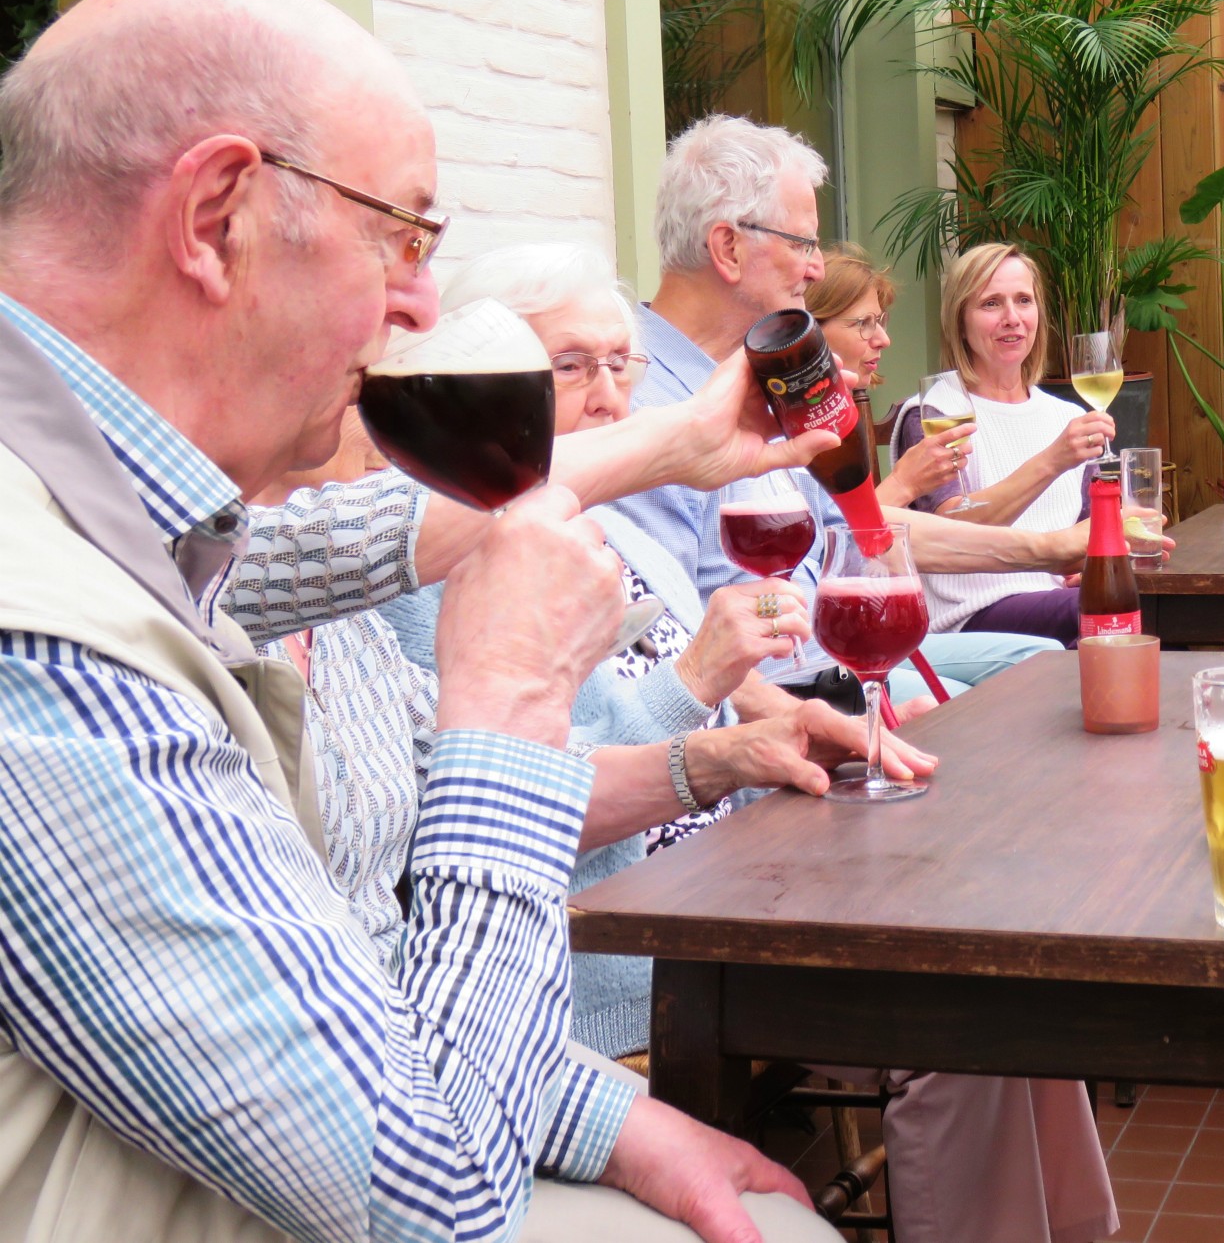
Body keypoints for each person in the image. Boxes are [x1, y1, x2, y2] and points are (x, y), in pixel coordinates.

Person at [0, 0, 836, 1243]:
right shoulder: (44, 642)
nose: (423, 306)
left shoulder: (135, 522)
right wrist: (506, 702)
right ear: (217, 215)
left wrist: (613, 1119)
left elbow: (341, 978)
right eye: (401, 235)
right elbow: (429, 1198)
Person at [616, 115, 1118, 1243]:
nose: (815, 263)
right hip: (757, 775)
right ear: (729, 243)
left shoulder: (781, 376)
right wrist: (807, 719)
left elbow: (863, 546)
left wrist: (877, 514)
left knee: (1028, 898)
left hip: (834, 714)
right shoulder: (642, 404)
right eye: (800, 241)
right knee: (978, 972)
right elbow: (672, 643)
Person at [371, 241, 935, 1061]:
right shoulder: (436, 574)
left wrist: (813, 722)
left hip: (744, 883)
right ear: (486, 389)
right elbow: (515, 797)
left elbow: (732, 705)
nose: (608, 400)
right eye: (570, 368)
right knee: (955, 997)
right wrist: (697, 679)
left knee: (981, 926)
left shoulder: (620, 530)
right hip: (637, 958)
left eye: (620, 366)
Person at [886, 243, 1119, 646]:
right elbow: (950, 531)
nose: (1012, 318)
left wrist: (1095, 558)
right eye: (991, 303)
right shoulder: (938, 411)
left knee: (1141, 596)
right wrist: (1051, 461)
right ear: (960, 321)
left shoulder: (1063, 416)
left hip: (1055, 599)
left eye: (1023, 301)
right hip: (968, 615)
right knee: (1107, 611)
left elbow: (1091, 522)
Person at [806, 242, 969, 510]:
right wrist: (903, 484)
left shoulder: (837, 418)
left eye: (880, 322)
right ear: (811, 330)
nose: (884, 340)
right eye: (864, 323)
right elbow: (829, 539)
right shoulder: (776, 432)